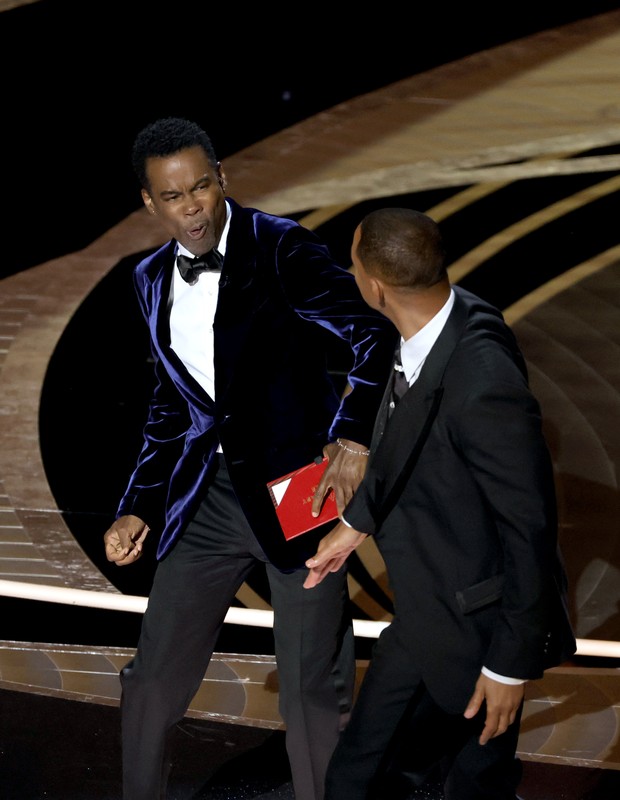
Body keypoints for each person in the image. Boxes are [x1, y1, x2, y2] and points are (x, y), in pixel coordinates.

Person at [102, 117, 398, 800]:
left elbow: (372, 334)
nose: (193, 207)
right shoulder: (149, 278)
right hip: (206, 500)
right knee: (151, 681)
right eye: (173, 197)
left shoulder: (281, 247)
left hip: (300, 494)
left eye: (202, 187)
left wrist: (352, 435)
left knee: (311, 693)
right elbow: (172, 405)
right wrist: (140, 505)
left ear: (221, 180)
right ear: (150, 204)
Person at [303, 207, 577, 800]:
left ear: (374, 285)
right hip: (428, 598)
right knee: (361, 764)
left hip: (481, 623)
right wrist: (355, 522)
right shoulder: (455, 318)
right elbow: (408, 433)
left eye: (353, 263)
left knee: (475, 783)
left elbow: (529, 527)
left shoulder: (483, 381)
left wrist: (509, 667)